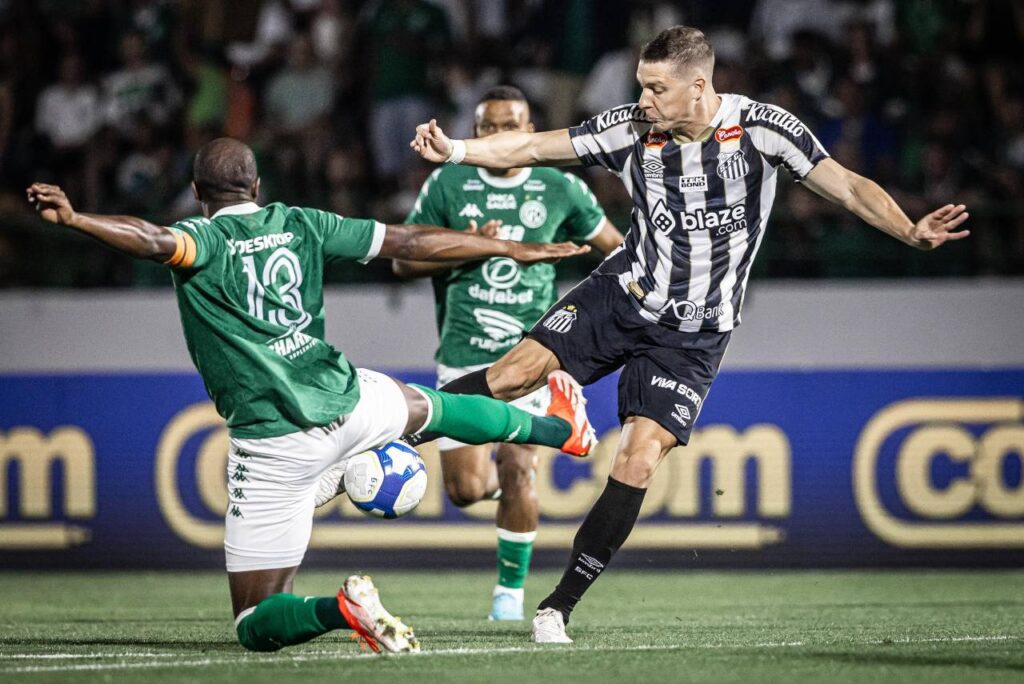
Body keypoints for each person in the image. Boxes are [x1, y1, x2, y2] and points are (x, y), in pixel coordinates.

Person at [410, 25, 970, 643]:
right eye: (641, 87)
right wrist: (458, 151)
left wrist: (910, 232)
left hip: (695, 334)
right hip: (623, 294)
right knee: (512, 374)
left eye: (656, 89)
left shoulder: (764, 130)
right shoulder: (632, 129)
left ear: (698, 87)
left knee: (639, 458)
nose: (644, 101)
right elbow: (535, 147)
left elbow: (848, 186)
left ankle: (557, 607)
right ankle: (383, 432)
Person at [25, 137, 597, 655]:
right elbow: (406, 239)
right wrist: (496, 248)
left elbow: (151, 239)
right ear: (256, 187)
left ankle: (340, 609)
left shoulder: (202, 238)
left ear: (197, 192)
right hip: (348, 399)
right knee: (439, 409)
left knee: (253, 621)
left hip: (274, 443)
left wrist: (78, 218)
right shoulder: (303, 223)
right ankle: (558, 429)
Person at [393, 86, 623, 621]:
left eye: (512, 125)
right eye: (490, 127)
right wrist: (462, 242)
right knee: (467, 489)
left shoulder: (559, 186)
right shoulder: (448, 182)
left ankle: (508, 599)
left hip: (533, 355)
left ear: (530, 129)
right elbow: (403, 263)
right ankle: (500, 465)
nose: (501, 136)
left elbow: (618, 248)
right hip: (463, 353)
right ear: (475, 134)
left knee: (521, 466)